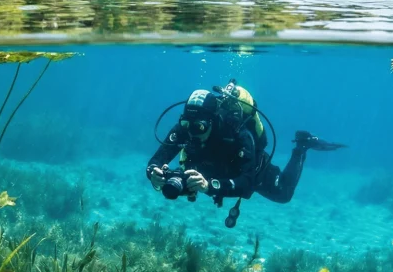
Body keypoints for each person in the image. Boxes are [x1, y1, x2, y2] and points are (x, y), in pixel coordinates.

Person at [146, 79, 344, 228]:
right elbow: (157, 159)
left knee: (283, 195)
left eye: (199, 127)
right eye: (187, 125)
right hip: (212, 174)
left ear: (213, 121)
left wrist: (210, 186)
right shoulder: (186, 127)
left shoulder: (238, 133)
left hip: (250, 171)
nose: (192, 133)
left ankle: (301, 147)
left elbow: (246, 182)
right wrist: (153, 173)